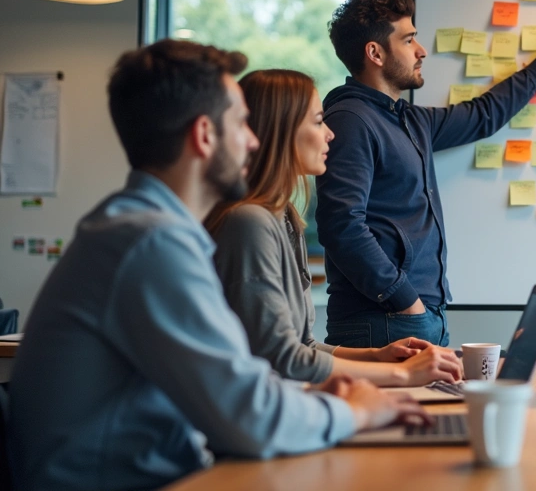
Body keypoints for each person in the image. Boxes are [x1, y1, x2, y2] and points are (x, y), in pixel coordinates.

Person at [8, 40, 429, 491]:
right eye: (241, 123)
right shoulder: (152, 243)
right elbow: (250, 415)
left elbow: (241, 386)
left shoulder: (143, 228)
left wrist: (314, 399)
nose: (254, 140)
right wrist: (353, 412)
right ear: (205, 135)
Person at [316, 0, 536, 347]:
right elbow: (342, 225)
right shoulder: (352, 120)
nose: (421, 51)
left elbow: (483, 115)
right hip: (384, 319)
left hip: (414, 315)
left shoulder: (408, 120)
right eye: (409, 40)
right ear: (375, 53)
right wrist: (405, 299)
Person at [206, 69, 463, 387]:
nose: (330, 134)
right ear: (282, 130)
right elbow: (282, 358)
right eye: (318, 122)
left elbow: (304, 346)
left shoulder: (286, 217)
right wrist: (404, 373)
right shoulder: (249, 223)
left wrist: (377, 355)